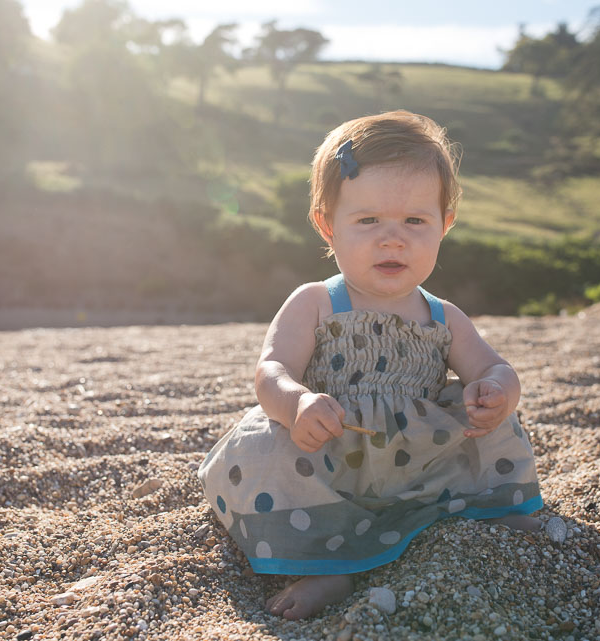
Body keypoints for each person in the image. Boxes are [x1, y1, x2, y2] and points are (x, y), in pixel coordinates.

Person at [198, 110, 542, 620]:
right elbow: (270, 371)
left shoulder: (444, 317)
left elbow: (494, 368)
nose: (392, 238)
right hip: (330, 454)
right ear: (327, 225)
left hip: (420, 464)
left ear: (444, 225)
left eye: (414, 221)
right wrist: (298, 405)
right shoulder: (316, 302)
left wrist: (495, 392)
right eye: (367, 221)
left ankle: (488, 531)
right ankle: (326, 566)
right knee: (264, 445)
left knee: (496, 426)